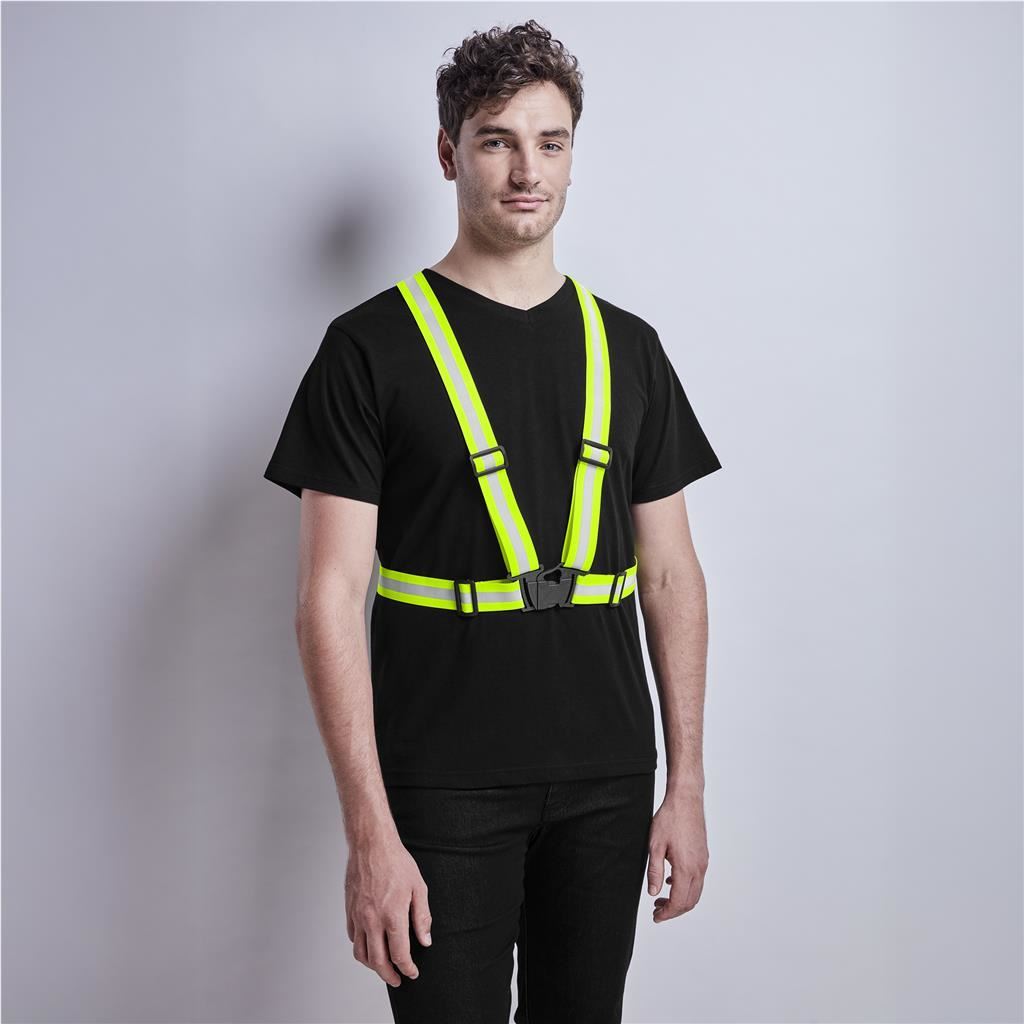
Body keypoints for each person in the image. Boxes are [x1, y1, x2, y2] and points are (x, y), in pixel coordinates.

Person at [263, 18, 722, 1024]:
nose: (527, 171)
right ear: (448, 152)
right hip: (441, 787)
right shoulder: (368, 350)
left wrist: (684, 784)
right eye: (496, 141)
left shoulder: (630, 350)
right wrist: (370, 833)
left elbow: (671, 574)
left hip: (607, 778)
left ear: (573, 155)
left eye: (550, 143)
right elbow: (328, 596)